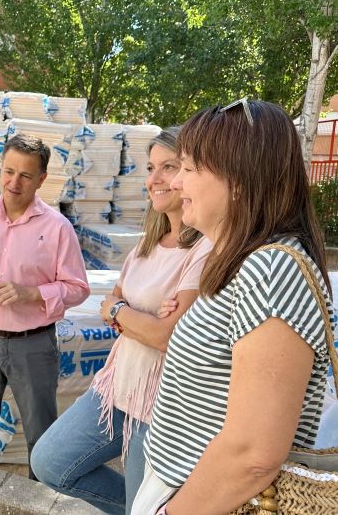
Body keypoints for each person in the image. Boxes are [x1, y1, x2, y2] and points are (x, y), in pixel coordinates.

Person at [131, 100, 333, 515]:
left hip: (206, 501)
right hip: (184, 486)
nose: (177, 183)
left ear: (238, 180)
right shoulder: (240, 259)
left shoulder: (271, 269)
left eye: (188, 169)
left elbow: (252, 454)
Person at [30, 128, 212, 514]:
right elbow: (111, 300)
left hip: (159, 403)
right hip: (117, 384)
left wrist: (124, 313)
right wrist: (126, 313)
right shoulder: (148, 243)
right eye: (150, 168)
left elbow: (166, 337)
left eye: (170, 167)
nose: (155, 179)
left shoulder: (204, 250)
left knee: (143, 507)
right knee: (49, 461)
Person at [0, 134, 89, 478]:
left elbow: (78, 288)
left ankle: (38, 503)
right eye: (9, 171)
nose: (14, 182)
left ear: (42, 179)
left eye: (25, 175)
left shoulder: (57, 228)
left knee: (42, 439)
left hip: (33, 345)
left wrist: (31, 294)